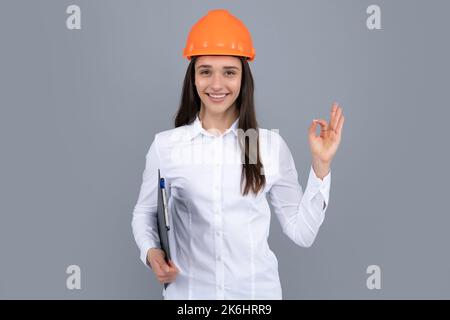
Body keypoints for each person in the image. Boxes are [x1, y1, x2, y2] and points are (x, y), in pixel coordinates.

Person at [131, 9, 345, 300]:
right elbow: (145, 213)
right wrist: (151, 251)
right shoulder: (166, 146)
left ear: (243, 79)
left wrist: (321, 167)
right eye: (205, 71)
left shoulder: (268, 147)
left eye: (229, 72)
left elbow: (302, 234)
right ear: (192, 79)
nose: (217, 84)